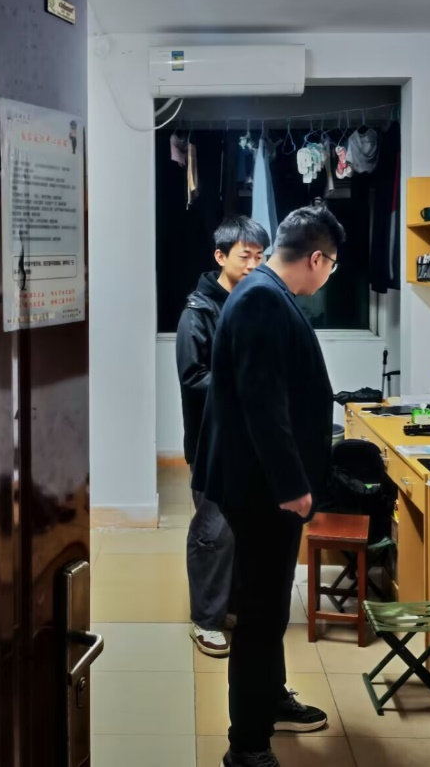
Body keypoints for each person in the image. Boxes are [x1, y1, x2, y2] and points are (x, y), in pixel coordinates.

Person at [193, 204, 346, 767]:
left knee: (271, 608)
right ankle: (248, 746)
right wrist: (291, 485)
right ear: (316, 259)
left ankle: (270, 698)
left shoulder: (264, 291)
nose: (328, 276)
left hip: (263, 486)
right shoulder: (261, 298)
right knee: (259, 616)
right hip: (263, 491)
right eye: (331, 266)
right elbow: (263, 403)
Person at [176, 216, 270, 657]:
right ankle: (205, 620)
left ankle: (227, 607)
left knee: (240, 528)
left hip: (248, 438)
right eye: (245, 256)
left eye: (260, 256)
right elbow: (193, 377)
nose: (253, 264)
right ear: (220, 256)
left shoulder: (252, 301)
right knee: (212, 530)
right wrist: (245, 382)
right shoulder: (197, 312)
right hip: (210, 442)